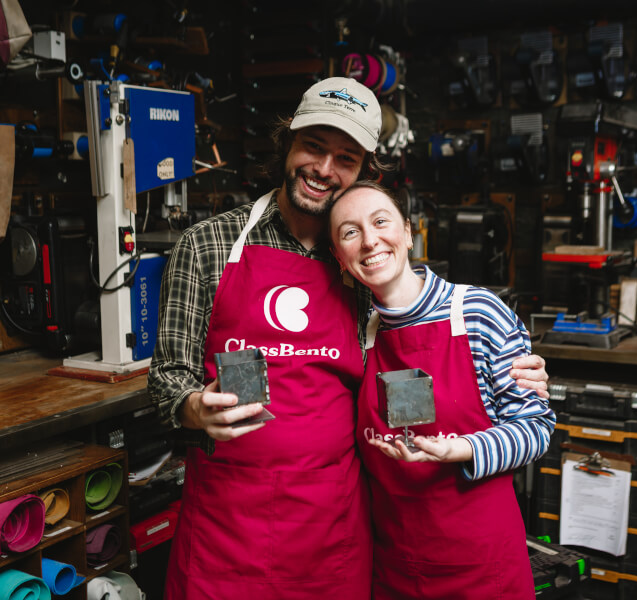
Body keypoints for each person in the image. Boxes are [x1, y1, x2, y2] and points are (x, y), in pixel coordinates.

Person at [148, 77, 550, 599]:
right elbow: (165, 383)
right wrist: (193, 408)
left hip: (334, 535)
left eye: (346, 159)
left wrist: (515, 367)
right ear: (286, 143)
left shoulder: (367, 273)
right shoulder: (207, 246)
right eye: (313, 147)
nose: (324, 169)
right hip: (227, 532)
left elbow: (427, 336)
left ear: (367, 177)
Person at [328, 180, 556, 600]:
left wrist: (463, 449)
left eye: (381, 222)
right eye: (350, 232)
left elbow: (536, 429)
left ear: (408, 233)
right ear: (340, 258)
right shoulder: (356, 334)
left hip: (484, 570)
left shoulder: (478, 312)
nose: (369, 240)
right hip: (395, 568)